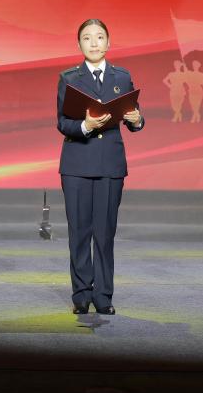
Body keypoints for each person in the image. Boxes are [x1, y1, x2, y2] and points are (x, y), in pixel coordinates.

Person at [56, 19, 144, 315]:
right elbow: (62, 122)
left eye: (99, 37)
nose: (94, 43)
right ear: (79, 44)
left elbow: (135, 118)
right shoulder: (69, 77)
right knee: (79, 232)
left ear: (108, 42)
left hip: (110, 164)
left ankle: (104, 295)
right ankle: (81, 294)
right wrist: (85, 125)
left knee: (105, 234)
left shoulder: (122, 76)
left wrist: (137, 120)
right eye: (87, 38)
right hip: (77, 164)